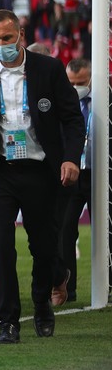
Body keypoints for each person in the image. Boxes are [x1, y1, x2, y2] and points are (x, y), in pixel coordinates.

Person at [0, 9, 85, 344]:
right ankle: (9, 321)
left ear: (20, 34)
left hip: (41, 170)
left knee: (44, 247)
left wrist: (71, 159)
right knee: (1, 245)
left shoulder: (48, 68)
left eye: (7, 38)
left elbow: (73, 120)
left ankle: (42, 301)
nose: (2, 45)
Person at [58, 58, 102, 302]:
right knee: (65, 230)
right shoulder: (63, 103)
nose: (76, 87)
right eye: (71, 83)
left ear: (92, 78)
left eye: (81, 82)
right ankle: (68, 288)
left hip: (101, 174)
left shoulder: (105, 101)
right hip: (73, 172)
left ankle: (107, 283)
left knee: (106, 231)